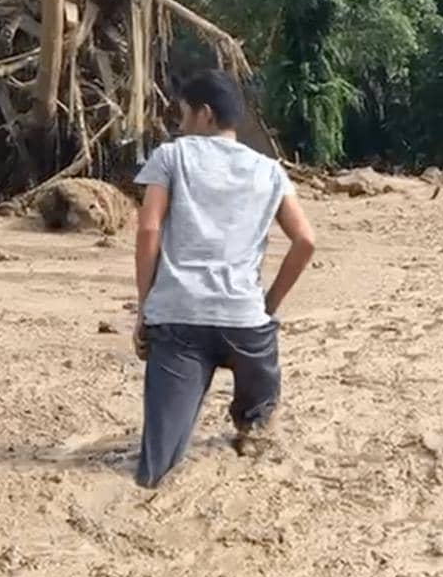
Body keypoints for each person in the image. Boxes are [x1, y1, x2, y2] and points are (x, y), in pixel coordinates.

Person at [131, 68, 316, 489]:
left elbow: (147, 230)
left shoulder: (171, 156)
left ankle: (157, 470)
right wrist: (267, 307)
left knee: (157, 466)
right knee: (261, 387)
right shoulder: (270, 171)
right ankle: (251, 426)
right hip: (244, 325)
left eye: (182, 116)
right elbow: (305, 240)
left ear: (205, 115)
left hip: (178, 319)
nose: (179, 127)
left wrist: (146, 308)